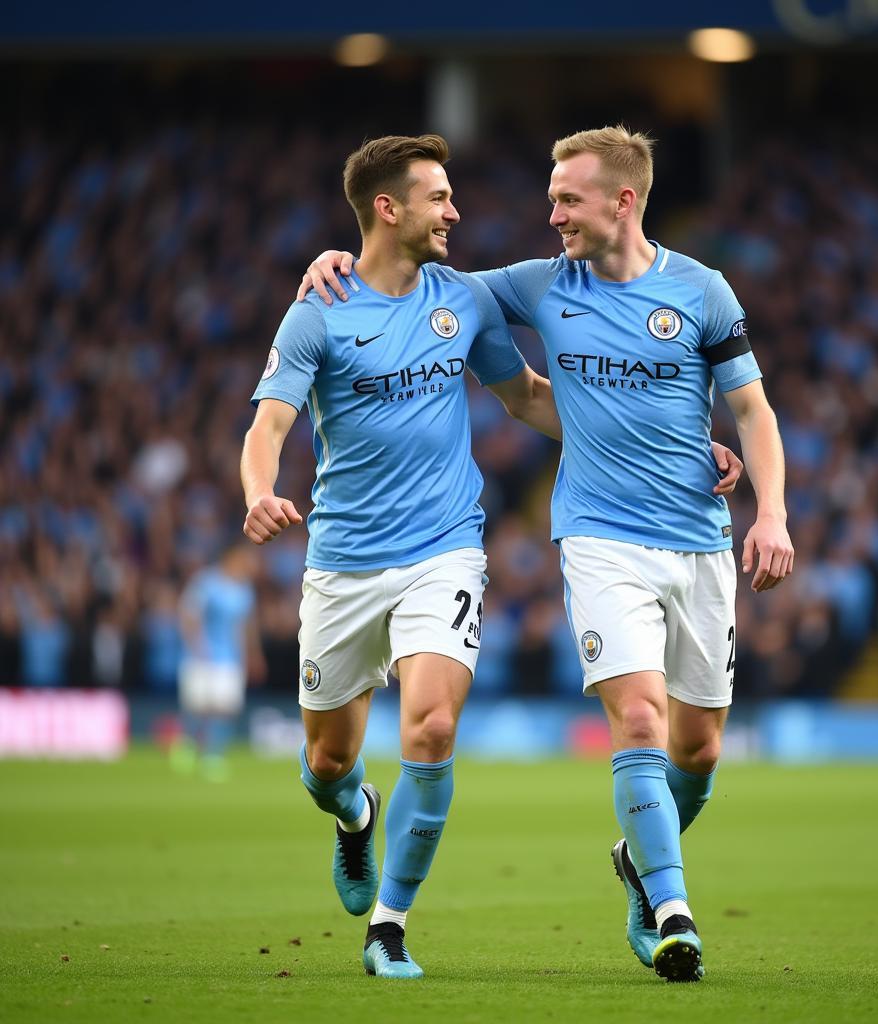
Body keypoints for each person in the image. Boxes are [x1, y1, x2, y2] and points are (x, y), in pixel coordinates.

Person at [300, 125, 794, 983]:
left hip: (699, 540)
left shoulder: (703, 291)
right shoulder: (531, 286)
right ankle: (672, 910)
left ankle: (637, 856)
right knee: (639, 719)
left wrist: (771, 512)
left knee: (702, 752)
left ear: (622, 201)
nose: (551, 212)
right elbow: (409, 276)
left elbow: (752, 412)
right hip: (599, 538)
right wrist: (333, 260)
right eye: (552, 195)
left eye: (568, 198)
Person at [241, 134, 569, 980]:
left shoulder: (464, 297)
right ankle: (354, 816)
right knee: (326, 765)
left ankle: (388, 926)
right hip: (344, 562)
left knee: (429, 725)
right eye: (439, 197)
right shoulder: (317, 309)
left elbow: (526, 396)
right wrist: (259, 492)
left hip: (444, 551)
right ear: (389, 209)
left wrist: (658, 446)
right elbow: (267, 425)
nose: (455, 211)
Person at [175, 543, 264, 781]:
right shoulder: (206, 582)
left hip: (230, 659)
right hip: (202, 656)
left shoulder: (245, 590)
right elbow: (189, 614)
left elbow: (247, 626)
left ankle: (213, 755)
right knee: (198, 706)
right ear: (230, 557)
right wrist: (196, 644)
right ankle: (188, 746)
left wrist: (253, 654)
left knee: (225, 709)